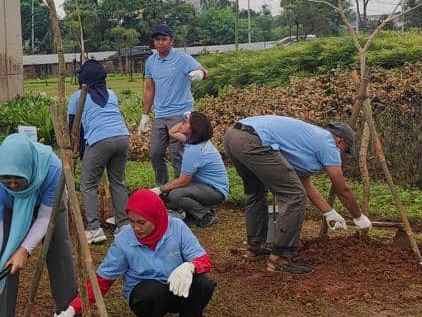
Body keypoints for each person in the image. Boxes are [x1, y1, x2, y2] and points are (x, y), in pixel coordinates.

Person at [49, 189, 215, 317]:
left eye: (141, 222)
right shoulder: (124, 240)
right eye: (131, 221)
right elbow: (102, 280)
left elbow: (203, 259)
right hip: (146, 296)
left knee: (204, 283)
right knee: (153, 292)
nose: (136, 227)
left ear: (156, 217)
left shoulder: (177, 228)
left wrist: (190, 266)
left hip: (178, 289)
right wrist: (73, 309)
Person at [222, 115, 370, 275]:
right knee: (294, 197)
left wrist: (329, 212)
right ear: (340, 141)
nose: (344, 156)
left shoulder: (309, 141)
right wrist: (358, 217)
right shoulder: (329, 144)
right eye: (346, 151)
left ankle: (254, 248)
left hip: (233, 136)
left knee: (256, 191)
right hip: (253, 140)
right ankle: (279, 258)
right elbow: (342, 189)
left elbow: (304, 183)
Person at [0, 134, 80, 317]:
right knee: (5, 254)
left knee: (59, 248)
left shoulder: (52, 169)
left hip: (48, 202)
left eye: (18, 180)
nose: (12, 185)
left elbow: (45, 218)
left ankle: (67, 309)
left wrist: (24, 249)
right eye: (7, 180)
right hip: (10, 206)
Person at [67, 60, 130, 244]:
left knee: (88, 185)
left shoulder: (78, 96)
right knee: (118, 181)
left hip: (99, 141)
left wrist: (78, 150)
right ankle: (124, 225)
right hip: (122, 137)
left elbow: (74, 128)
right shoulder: (111, 93)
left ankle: (94, 229)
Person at [140, 24, 207, 184]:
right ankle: (163, 187)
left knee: (177, 154)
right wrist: (145, 115)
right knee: (155, 153)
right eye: (157, 39)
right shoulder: (151, 61)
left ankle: (182, 189)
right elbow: (150, 89)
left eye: (164, 39)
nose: (160, 42)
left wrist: (200, 73)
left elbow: (204, 71)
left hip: (180, 113)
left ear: (171, 41)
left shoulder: (182, 58)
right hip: (160, 115)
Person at [156, 112, 227, 227]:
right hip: (206, 186)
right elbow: (172, 132)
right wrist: (188, 119)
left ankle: (205, 215)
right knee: (171, 189)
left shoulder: (194, 151)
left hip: (215, 191)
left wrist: (159, 190)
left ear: (194, 129)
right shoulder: (194, 141)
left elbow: (183, 181)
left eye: (185, 123)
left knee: (175, 194)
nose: (181, 124)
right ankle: (192, 212)